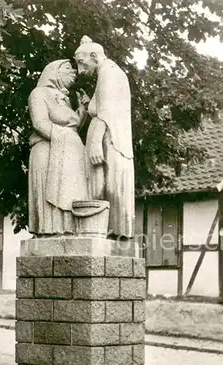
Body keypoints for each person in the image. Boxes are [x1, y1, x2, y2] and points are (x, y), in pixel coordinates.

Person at [74, 36, 135, 239]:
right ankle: (113, 231)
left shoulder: (108, 73)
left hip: (109, 141)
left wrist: (94, 144)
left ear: (94, 56)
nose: (81, 71)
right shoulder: (111, 73)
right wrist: (90, 103)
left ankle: (111, 231)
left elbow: (106, 113)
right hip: (111, 138)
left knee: (107, 186)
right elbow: (103, 107)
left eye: (82, 63)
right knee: (108, 186)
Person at [28, 59, 90, 236]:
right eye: (68, 69)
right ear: (54, 72)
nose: (74, 72)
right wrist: (67, 137)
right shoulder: (39, 94)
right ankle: (50, 232)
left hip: (67, 153)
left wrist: (82, 110)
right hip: (47, 151)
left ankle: (68, 230)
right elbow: (40, 123)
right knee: (50, 204)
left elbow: (72, 126)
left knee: (68, 195)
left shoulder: (65, 100)